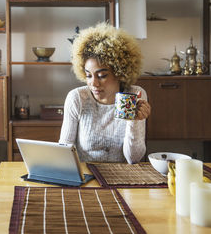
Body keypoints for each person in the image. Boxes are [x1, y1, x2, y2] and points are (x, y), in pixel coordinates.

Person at [59, 22, 151, 164]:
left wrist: (133, 120)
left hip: (122, 178)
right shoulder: (77, 98)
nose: (93, 84)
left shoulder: (134, 95)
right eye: (88, 75)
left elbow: (133, 158)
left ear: (120, 73)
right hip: (87, 176)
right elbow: (64, 151)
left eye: (102, 76)